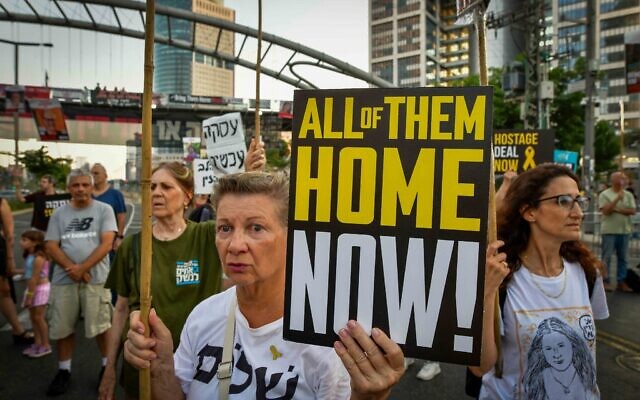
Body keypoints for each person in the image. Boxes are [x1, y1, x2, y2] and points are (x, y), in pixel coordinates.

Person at [123, 172, 405, 399]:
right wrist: (159, 366)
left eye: (256, 228)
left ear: (292, 236)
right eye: (224, 228)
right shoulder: (203, 317)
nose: (235, 245)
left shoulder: (330, 344)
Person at [99, 139, 265, 400]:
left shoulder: (207, 236)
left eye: (166, 186)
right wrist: (108, 369)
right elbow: (120, 310)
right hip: (143, 367)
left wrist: (247, 174)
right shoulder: (133, 245)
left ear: (188, 195)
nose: (156, 193)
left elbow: (241, 220)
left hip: (200, 365)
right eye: (151, 186)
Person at [473, 164, 608, 399]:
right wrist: (486, 293)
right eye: (564, 201)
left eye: (579, 201)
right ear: (529, 212)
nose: (578, 212)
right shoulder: (501, 277)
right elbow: (481, 367)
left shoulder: (587, 272)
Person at [44, 169, 117, 396]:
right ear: (69, 188)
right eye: (76, 185)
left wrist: (83, 269)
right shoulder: (59, 214)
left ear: (92, 187)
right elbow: (51, 245)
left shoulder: (104, 210)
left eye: (85, 185)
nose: (81, 189)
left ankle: (106, 368)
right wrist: (73, 269)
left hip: (96, 280)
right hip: (63, 281)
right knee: (63, 328)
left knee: (101, 327)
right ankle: (63, 370)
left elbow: (107, 243)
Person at [523, 317, 596, 400]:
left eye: (561, 345)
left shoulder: (585, 372)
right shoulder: (538, 379)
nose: (556, 354)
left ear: (573, 344)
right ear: (542, 353)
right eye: (548, 349)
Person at [0, 197, 34, 346]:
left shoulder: (1, 202)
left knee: (4, 290)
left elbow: (9, 234)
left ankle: (18, 330)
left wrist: (9, 258)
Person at [599, 171, 636, 292]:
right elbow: (606, 211)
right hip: (609, 231)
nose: (624, 180)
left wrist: (617, 209)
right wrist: (617, 199)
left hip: (624, 231)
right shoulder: (605, 194)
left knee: (623, 258)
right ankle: (605, 281)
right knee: (607, 257)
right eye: (621, 178)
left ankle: (622, 281)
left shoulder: (628, 195)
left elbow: (632, 211)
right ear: (614, 180)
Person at [19, 229, 52, 358]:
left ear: (35, 243)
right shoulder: (30, 255)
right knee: (33, 318)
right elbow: (27, 272)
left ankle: (46, 345)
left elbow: (34, 277)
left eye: (24, 240)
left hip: (39, 289)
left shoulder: (39, 258)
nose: (21, 242)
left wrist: (29, 296)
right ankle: (37, 343)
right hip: (33, 289)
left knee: (39, 318)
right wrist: (15, 271)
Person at [91, 163, 127, 252]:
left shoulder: (115, 195)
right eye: (91, 174)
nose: (93, 176)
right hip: (89, 242)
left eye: (96, 173)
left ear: (105, 175)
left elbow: (121, 218)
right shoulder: (86, 195)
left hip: (109, 242)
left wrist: (119, 237)